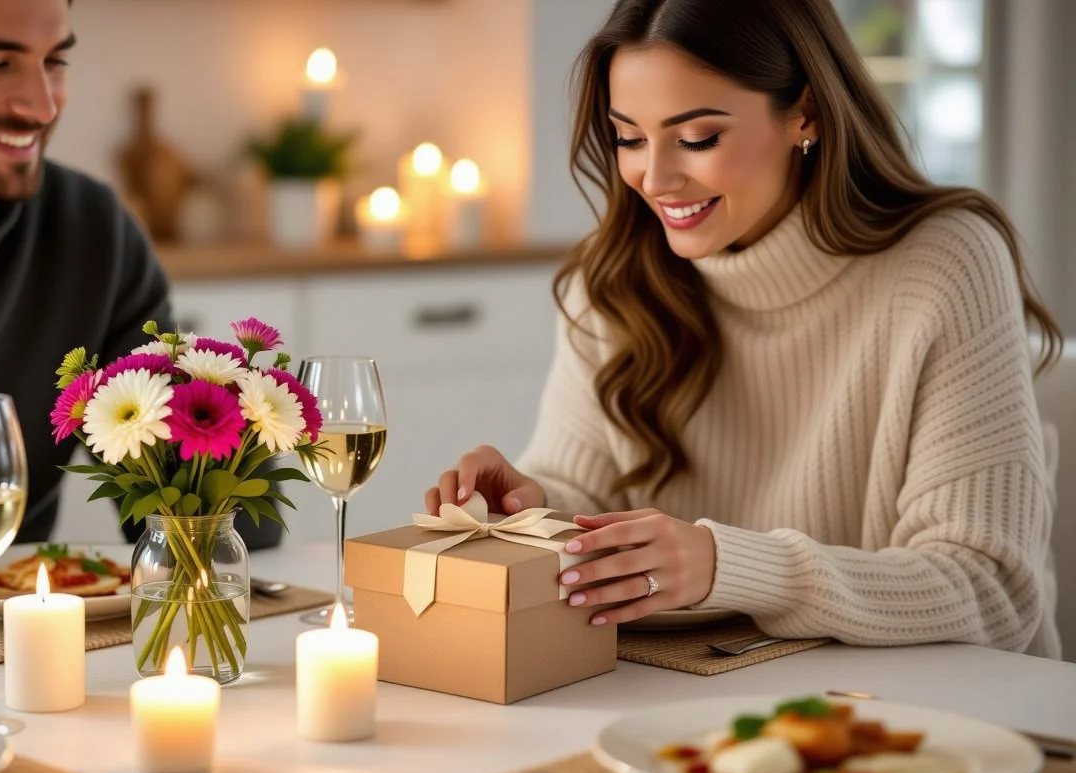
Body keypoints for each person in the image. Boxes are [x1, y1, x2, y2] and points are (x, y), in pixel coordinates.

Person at [427, 0, 1063, 658]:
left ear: (805, 114)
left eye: (697, 138)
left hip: (931, 722)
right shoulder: (614, 278)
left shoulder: (945, 264)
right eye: (628, 137)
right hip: (699, 702)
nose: (656, 177)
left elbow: (993, 589)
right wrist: (536, 509)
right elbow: (586, 495)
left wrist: (724, 566)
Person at [0, 0, 278, 600]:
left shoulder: (91, 232)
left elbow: (192, 523)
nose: (42, 105)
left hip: (13, 652)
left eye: (55, 60)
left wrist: (221, 432)